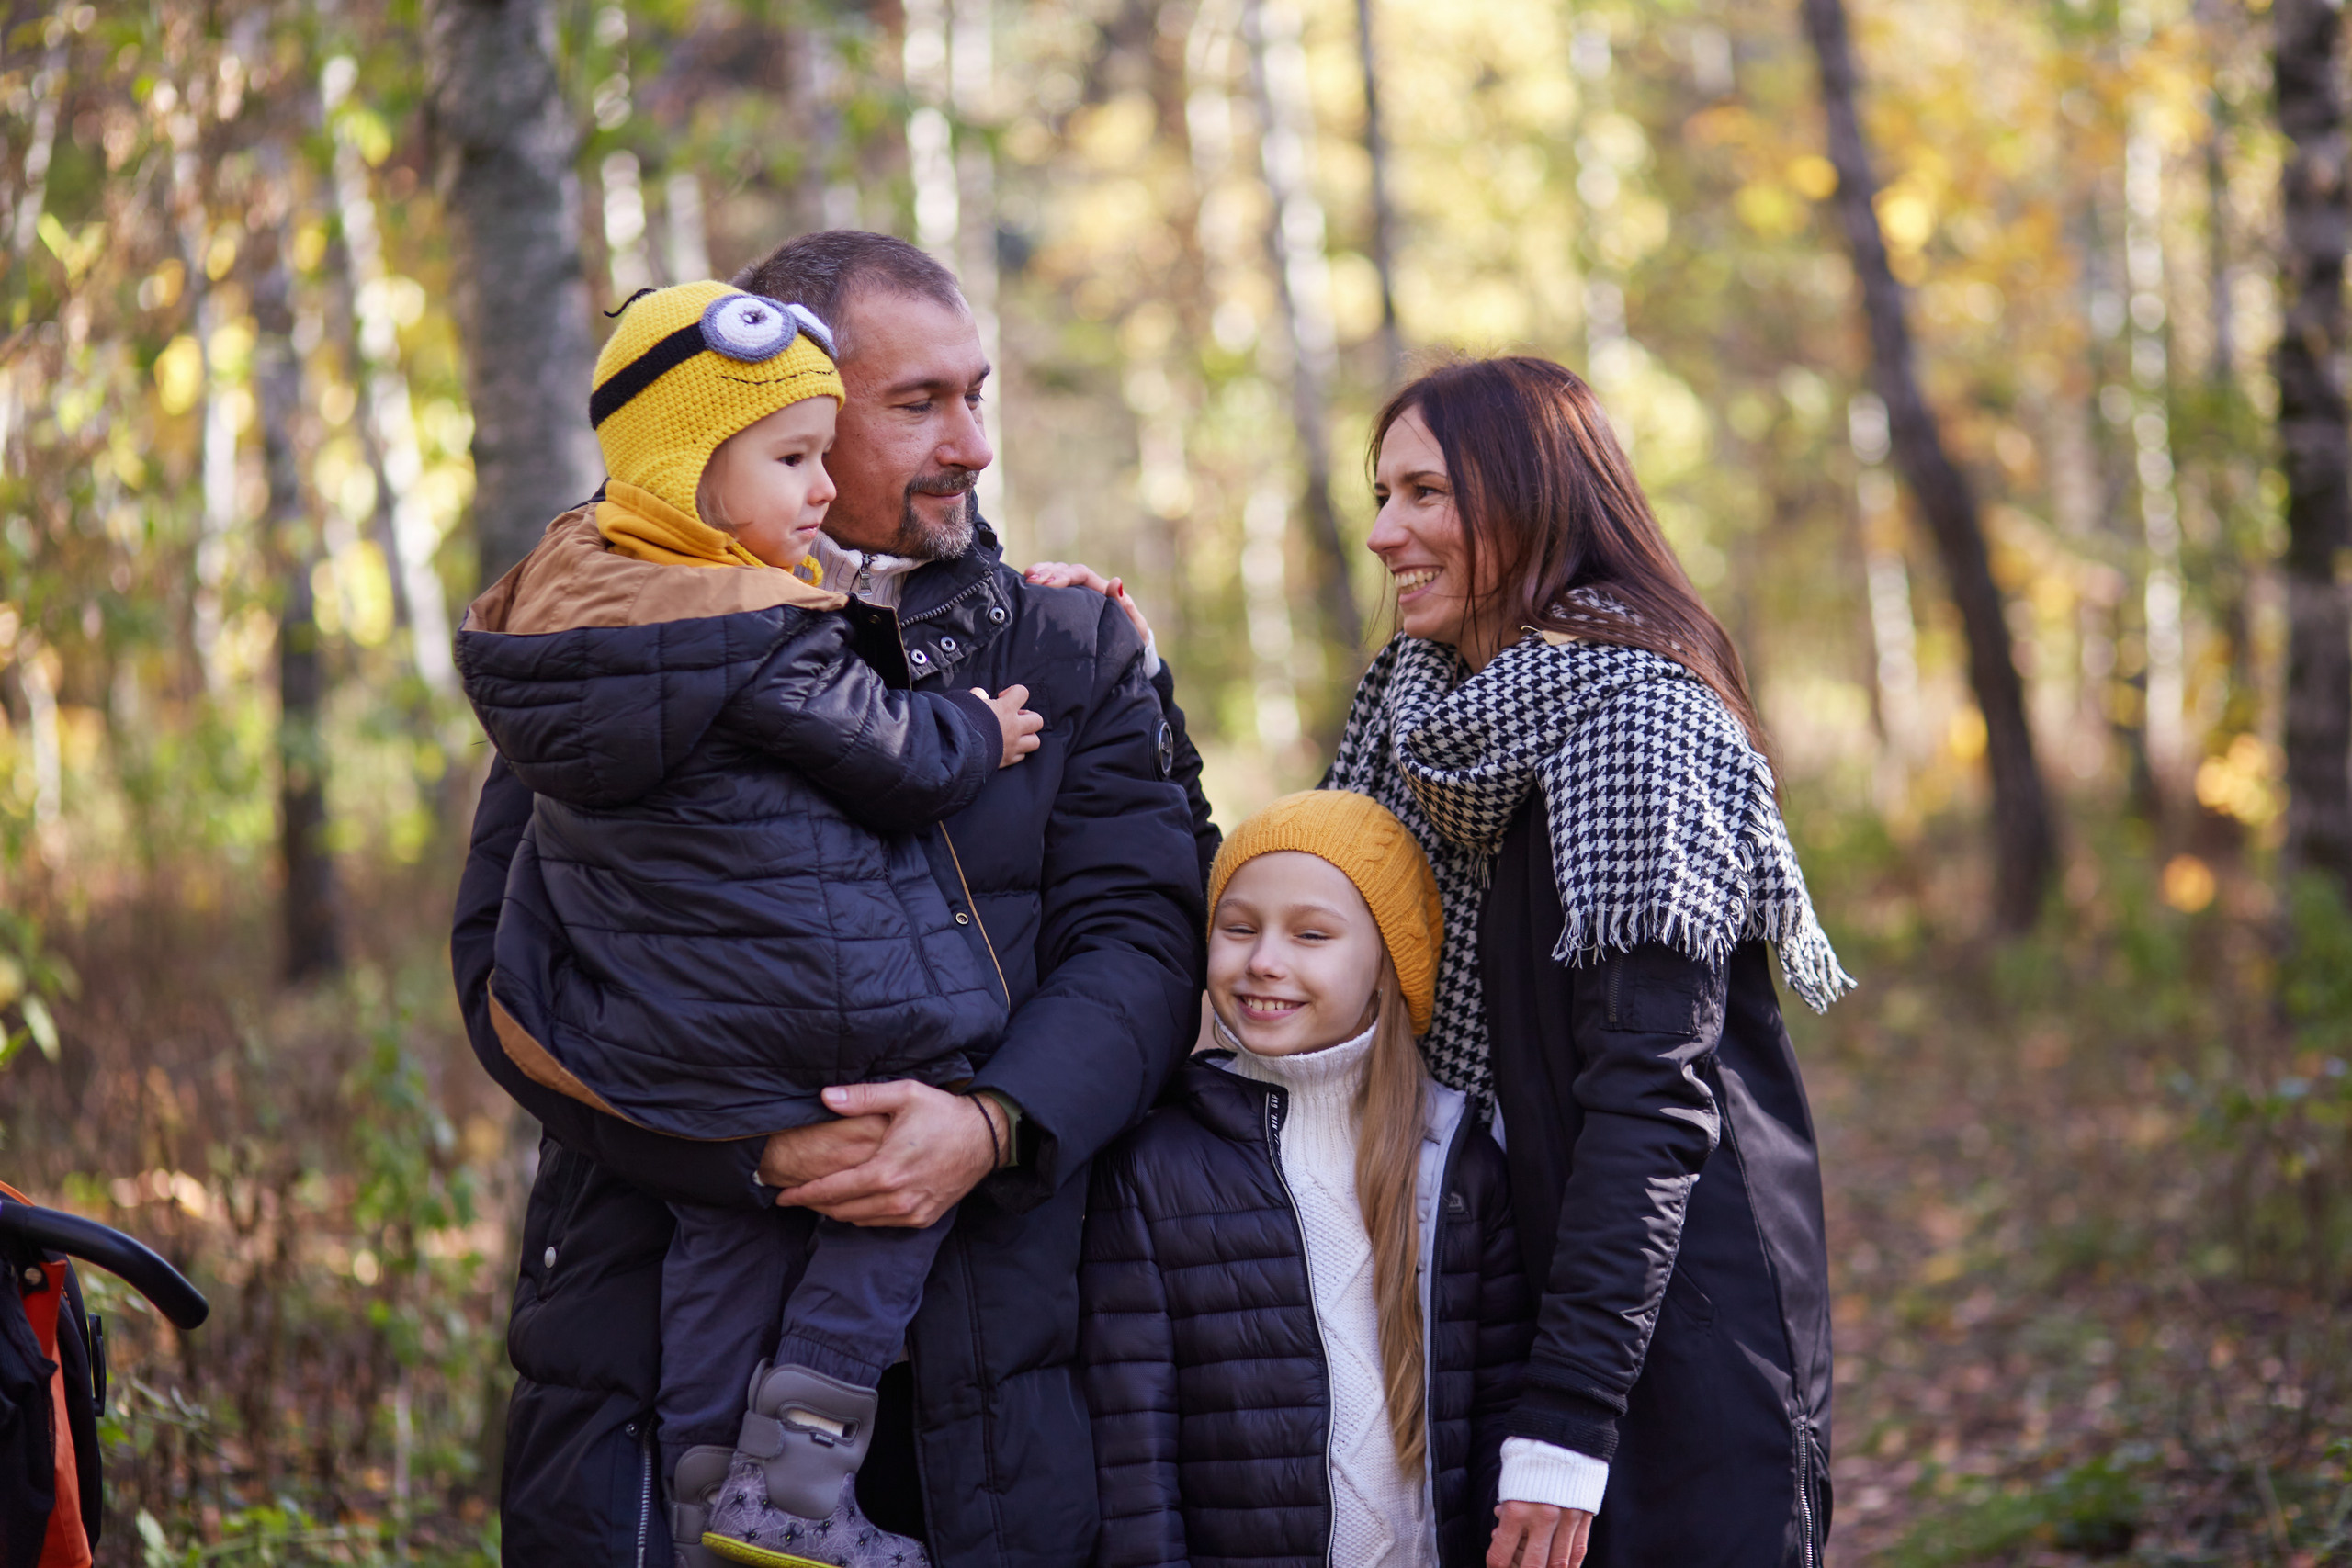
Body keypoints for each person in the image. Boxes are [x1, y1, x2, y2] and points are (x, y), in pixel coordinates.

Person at [451, 233, 1212, 1567]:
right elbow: (513, 980)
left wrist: (990, 1121)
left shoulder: (1070, 645)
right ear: (763, 424)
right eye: (916, 404)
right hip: (653, 1333)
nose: (971, 442)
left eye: (978, 394)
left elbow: (1146, 941)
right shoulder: (614, 648)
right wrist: (747, 1147)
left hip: (996, 1344)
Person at [1322, 355, 1852, 1568]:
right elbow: (1291, 927)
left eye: (1423, 494)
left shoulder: (1638, 717)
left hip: (1675, 1320)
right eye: (1381, 493)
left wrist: (1567, 1417)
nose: (1380, 531)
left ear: (1530, 498)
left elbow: (1654, 1101)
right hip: (1506, 1284)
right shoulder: (1425, 716)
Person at [1081, 790, 1532, 1568]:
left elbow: (1498, 1410)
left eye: (1312, 934)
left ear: (1391, 965)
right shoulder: (1155, 1166)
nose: (1264, 960)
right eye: (1239, 927)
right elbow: (1133, 1458)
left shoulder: (1459, 1166)